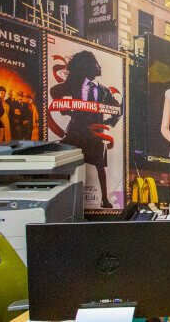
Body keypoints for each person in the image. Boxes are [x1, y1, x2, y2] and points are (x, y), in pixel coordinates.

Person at [49, 50, 122, 208]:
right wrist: (66, 109)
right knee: (68, 163)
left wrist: (110, 121)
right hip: (76, 130)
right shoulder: (74, 83)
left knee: (99, 165)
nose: (99, 67)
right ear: (87, 66)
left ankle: (105, 199)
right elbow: (54, 91)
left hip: (95, 133)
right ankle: (63, 199)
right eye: (96, 64)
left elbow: (117, 108)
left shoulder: (103, 90)